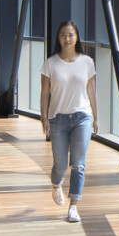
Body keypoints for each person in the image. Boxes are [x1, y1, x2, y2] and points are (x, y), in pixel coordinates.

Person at [40, 19, 98, 222]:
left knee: (78, 165)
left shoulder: (87, 62)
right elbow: (45, 93)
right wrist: (44, 118)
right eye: (63, 34)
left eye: (71, 34)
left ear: (77, 37)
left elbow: (91, 91)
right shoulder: (50, 64)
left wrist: (96, 118)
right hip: (58, 119)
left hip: (82, 117)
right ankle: (56, 184)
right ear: (59, 38)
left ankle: (74, 206)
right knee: (60, 164)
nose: (67, 38)